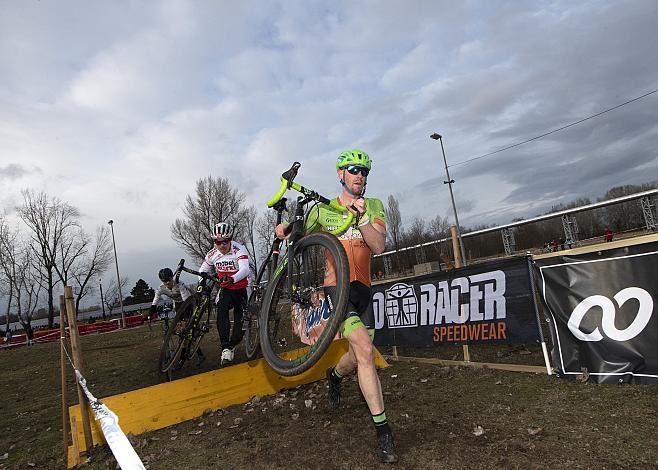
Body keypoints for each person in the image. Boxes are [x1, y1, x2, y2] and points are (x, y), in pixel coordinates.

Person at [275, 148, 397, 463]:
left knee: (358, 355)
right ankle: (384, 433)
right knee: (366, 352)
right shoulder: (324, 210)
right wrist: (285, 229)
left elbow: (379, 245)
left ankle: (335, 374)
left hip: (365, 290)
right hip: (336, 290)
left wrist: (363, 218)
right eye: (354, 170)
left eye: (365, 171)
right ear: (341, 174)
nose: (360, 175)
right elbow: (296, 233)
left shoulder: (374, 205)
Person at [199, 222, 251, 366]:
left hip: (241, 290)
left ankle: (233, 344)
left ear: (230, 239)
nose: (221, 245)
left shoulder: (239, 249)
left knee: (238, 333)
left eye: (225, 242)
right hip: (226, 291)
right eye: (217, 242)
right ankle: (225, 348)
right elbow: (202, 270)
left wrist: (232, 278)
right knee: (221, 309)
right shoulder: (212, 254)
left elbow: (245, 270)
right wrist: (202, 282)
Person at [150, 267, 205, 365]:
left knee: (185, 330)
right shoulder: (160, 288)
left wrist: (185, 320)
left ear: (172, 277)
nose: (167, 283)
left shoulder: (180, 284)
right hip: (178, 304)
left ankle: (182, 358)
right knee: (185, 334)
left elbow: (186, 301)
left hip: (189, 303)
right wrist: (152, 310)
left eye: (168, 280)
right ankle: (199, 354)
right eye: (164, 281)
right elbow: (155, 301)